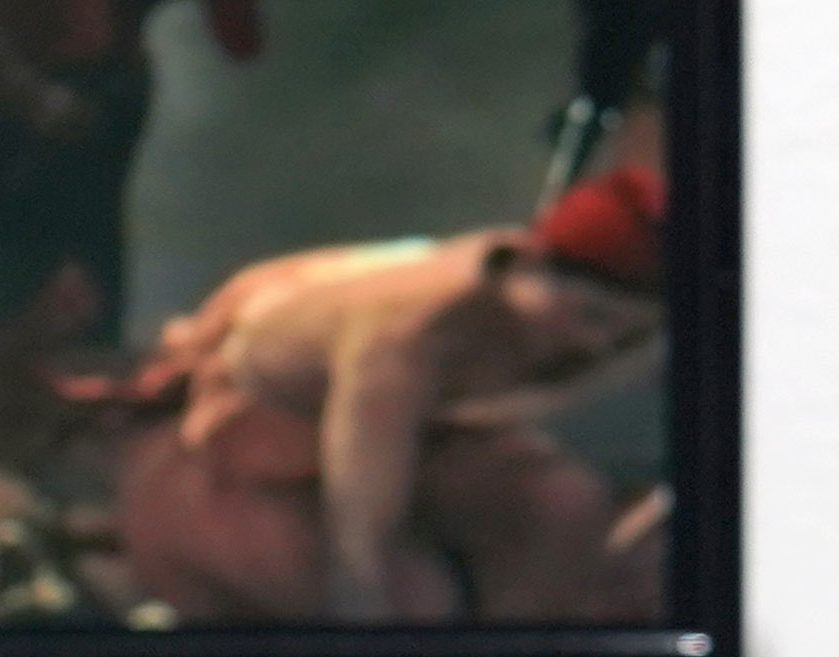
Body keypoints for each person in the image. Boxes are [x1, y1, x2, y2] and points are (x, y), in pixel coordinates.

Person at [114, 165, 668, 626]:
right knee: (411, 608)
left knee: (566, 504)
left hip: (427, 438)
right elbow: (361, 522)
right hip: (252, 451)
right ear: (523, 265)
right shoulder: (410, 330)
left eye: (624, 333)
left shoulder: (616, 329)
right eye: (590, 317)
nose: (596, 345)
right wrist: (364, 599)